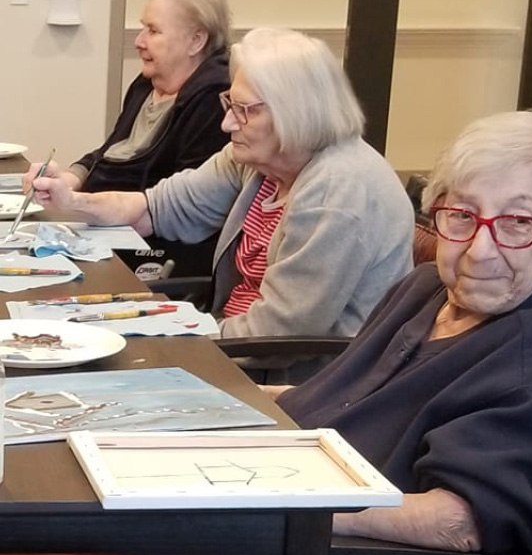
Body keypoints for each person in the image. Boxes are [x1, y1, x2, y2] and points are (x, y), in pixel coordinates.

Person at [271, 111, 532, 555]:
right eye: (462, 214)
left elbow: (459, 520)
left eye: (518, 222)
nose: (480, 252)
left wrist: (286, 509)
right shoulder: (425, 288)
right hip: (275, 477)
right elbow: (344, 398)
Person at [27, 28, 415, 342]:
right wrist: (71, 200)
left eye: (243, 111)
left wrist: (170, 335)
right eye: (231, 104)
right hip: (232, 341)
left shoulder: (336, 192)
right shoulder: (259, 159)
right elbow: (156, 208)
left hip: (294, 380)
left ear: (295, 114)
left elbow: (280, 334)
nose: (227, 124)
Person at [24, 0, 232, 279]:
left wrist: (77, 203)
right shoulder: (146, 85)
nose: (138, 41)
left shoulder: (213, 100)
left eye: (153, 30)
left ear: (196, 40)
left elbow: (178, 207)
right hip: (99, 227)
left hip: (147, 253)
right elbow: (109, 151)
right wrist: (68, 178)